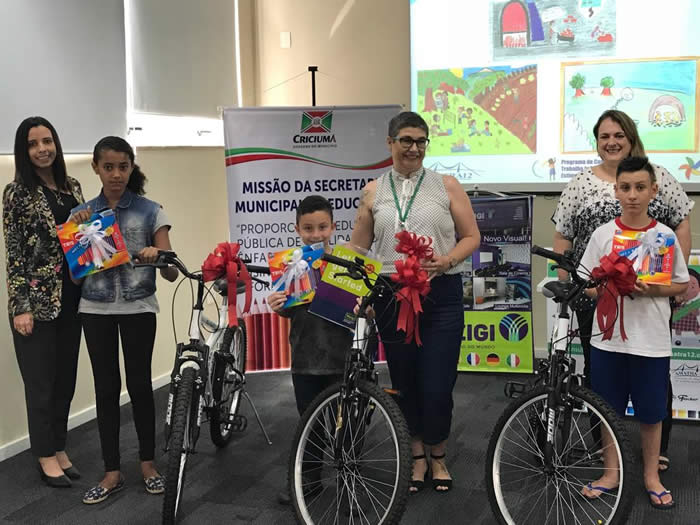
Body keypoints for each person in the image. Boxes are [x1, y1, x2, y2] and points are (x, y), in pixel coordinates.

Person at [551, 109, 692, 469]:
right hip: (597, 301)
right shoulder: (581, 183)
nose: (611, 142)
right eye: (604, 136)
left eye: (619, 135)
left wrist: (670, 285)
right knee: (604, 379)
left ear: (631, 138)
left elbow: (681, 223)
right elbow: (563, 234)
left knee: (652, 382)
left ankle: (654, 458)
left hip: (651, 303)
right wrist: (573, 287)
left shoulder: (658, 176)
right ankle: (607, 455)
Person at [350, 111, 480, 493]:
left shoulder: (447, 185)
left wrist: (449, 259)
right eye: (406, 140)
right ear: (390, 143)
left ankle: (438, 455)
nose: (414, 148)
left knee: (438, 383)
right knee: (404, 382)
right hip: (391, 296)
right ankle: (417, 456)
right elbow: (359, 247)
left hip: (439, 294)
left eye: (421, 141)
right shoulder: (373, 191)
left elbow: (471, 236)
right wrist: (358, 293)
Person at [70, 136, 178, 504]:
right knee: (104, 389)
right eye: (108, 167)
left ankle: (148, 464)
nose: (116, 174)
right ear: (96, 168)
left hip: (137, 309)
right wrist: (80, 235)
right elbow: (74, 277)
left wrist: (155, 257)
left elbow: (170, 272)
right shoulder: (81, 214)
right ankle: (112, 471)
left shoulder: (151, 211)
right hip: (95, 309)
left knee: (140, 386)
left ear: (132, 167)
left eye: (123, 167)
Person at [578, 156, 688, 509]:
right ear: (616, 190)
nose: (633, 195)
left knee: (652, 412)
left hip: (651, 342)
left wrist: (649, 289)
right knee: (607, 408)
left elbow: (680, 286)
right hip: (607, 340)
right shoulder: (603, 235)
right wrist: (610, 286)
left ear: (654, 190)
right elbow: (586, 284)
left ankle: (651, 475)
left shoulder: (664, 235)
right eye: (626, 188)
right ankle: (611, 473)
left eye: (641, 187)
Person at [3, 117, 84, 487]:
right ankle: (45, 454)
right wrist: (20, 306)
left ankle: (59, 445)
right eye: (34, 143)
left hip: (75, 298)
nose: (42, 149)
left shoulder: (73, 186)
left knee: (65, 379)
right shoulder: (16, 193)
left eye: (47, 141)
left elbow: (81, 239)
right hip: (36, 304)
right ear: (25, 150)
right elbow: (15, 253)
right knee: (41, 384)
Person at [268, 195, 353, 504]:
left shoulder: (346, 264)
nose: (315, 234)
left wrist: (364, 308)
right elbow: (290, 310)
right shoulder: (291, 266)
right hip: (304, 359)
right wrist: (278, 306)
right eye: (308, 228)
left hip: (341, 359)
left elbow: (359, 309)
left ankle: (349, 484)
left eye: (322, 227)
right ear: (297, 229)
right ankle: (311, 482)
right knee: (310, 423)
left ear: (332, 227)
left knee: (345, 427)